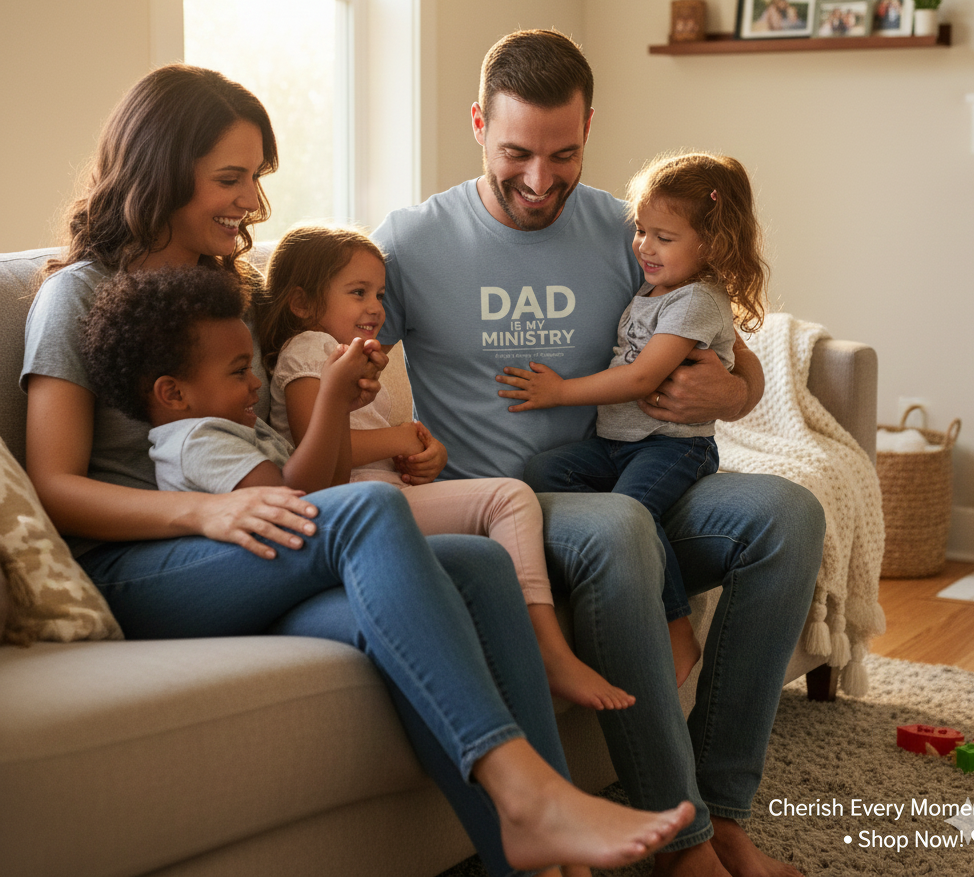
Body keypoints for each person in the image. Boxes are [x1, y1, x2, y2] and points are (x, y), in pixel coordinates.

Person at [21, 63, 692, 877]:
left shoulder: (226, 292)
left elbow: (294, 450)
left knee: (477, 565)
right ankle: (532, 797)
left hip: (255, 551)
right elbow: (53, 485)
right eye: (228, 179)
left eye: (255, 178)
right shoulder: (78, 296)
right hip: (144, 566)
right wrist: (203, 515)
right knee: (369, 515)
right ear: (158, 172)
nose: (249, 203)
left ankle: (545, 860)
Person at [373, 30, 825, 877]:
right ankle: (682, 844)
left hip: (628, 471)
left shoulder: (627, 230)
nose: (540, 181)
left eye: (564, 154)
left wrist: (734, 391)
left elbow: (721, 328)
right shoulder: (414, 240)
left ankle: (723, 813)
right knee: (620, 528)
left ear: (590, 129)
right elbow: (332, 342)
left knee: (788, 515)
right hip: (507, 507)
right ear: (477, 124)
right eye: (516, 153)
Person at [255, 223, 633, 710]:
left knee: (493, 527)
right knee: (508, 498)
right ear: (303, 304)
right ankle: (547, 648)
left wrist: (422, 456)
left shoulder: (354, 357)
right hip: (351, 508)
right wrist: (399, 438)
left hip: (382, 495)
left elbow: (375, 446)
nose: (376, 307)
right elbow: (319, 447)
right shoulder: (309, 348)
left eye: (380, 293)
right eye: (358, 292)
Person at [496, 151, 768, 690]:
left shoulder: (697, 300)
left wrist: (559, 392)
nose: (644, 246)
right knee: (546, 472)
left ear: (710, 246)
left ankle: (675, 627)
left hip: (671, 447)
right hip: (619, 442)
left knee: (631, 513)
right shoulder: (655, 287)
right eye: (641, 231)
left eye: (663, 237)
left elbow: (644, 377)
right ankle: (582, 569)